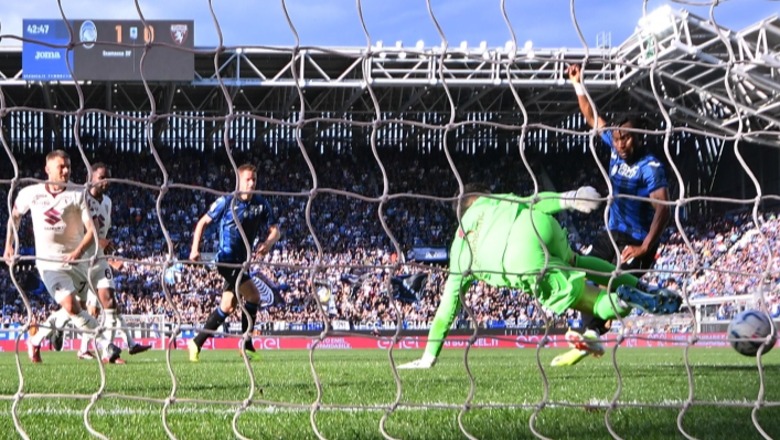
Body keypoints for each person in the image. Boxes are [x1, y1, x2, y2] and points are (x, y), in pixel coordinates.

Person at [397, 183, 680, 369]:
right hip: (539, 225)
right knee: (577, 260)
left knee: (591, 302)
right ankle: (641, 286)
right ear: (479, 198)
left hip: (521, 260)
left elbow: (447, 309)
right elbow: (534, 202)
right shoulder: (494, 201)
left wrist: (428, 357)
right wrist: (567, 199)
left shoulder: (459, 249)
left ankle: (621, 300)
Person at [550, 64, 671, 367]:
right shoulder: (615, 150)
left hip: (636, 241)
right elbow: (592, 116)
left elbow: (664, 208)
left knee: (615, 288)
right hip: (611, 233)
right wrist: (579, 84)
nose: (620, 143)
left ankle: (599, 328)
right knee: (583, 274)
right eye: (617, 138)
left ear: (638, 137)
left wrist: (645, 247)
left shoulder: (650, 167)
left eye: (626, 138)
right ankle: (590, 335)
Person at [4, 150, 121, 364]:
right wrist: (9, 245)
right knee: (71, 306)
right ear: (47, 169)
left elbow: (91, 229)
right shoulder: (31, 193)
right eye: (61, 167)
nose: (66, 170)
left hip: (79, 261)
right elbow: (15, 216)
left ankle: (37, 339)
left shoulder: (78, 193)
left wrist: (77, 252)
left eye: (68, 166)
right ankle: (106, 345)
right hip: (50, 263)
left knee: (80, 309)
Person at [187, 163, 281, 362]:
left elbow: (276, 230)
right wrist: (195, 249)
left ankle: (196, 342)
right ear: (239, 180)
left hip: (243, 262)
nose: (251, 183)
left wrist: (268, 243)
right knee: (254, 297)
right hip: (227, 260)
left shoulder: (261, 203)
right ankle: (245, 345)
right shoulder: (227, 201)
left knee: (228, 306)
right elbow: (202, 222)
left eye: (254, 179)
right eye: (247, 179)